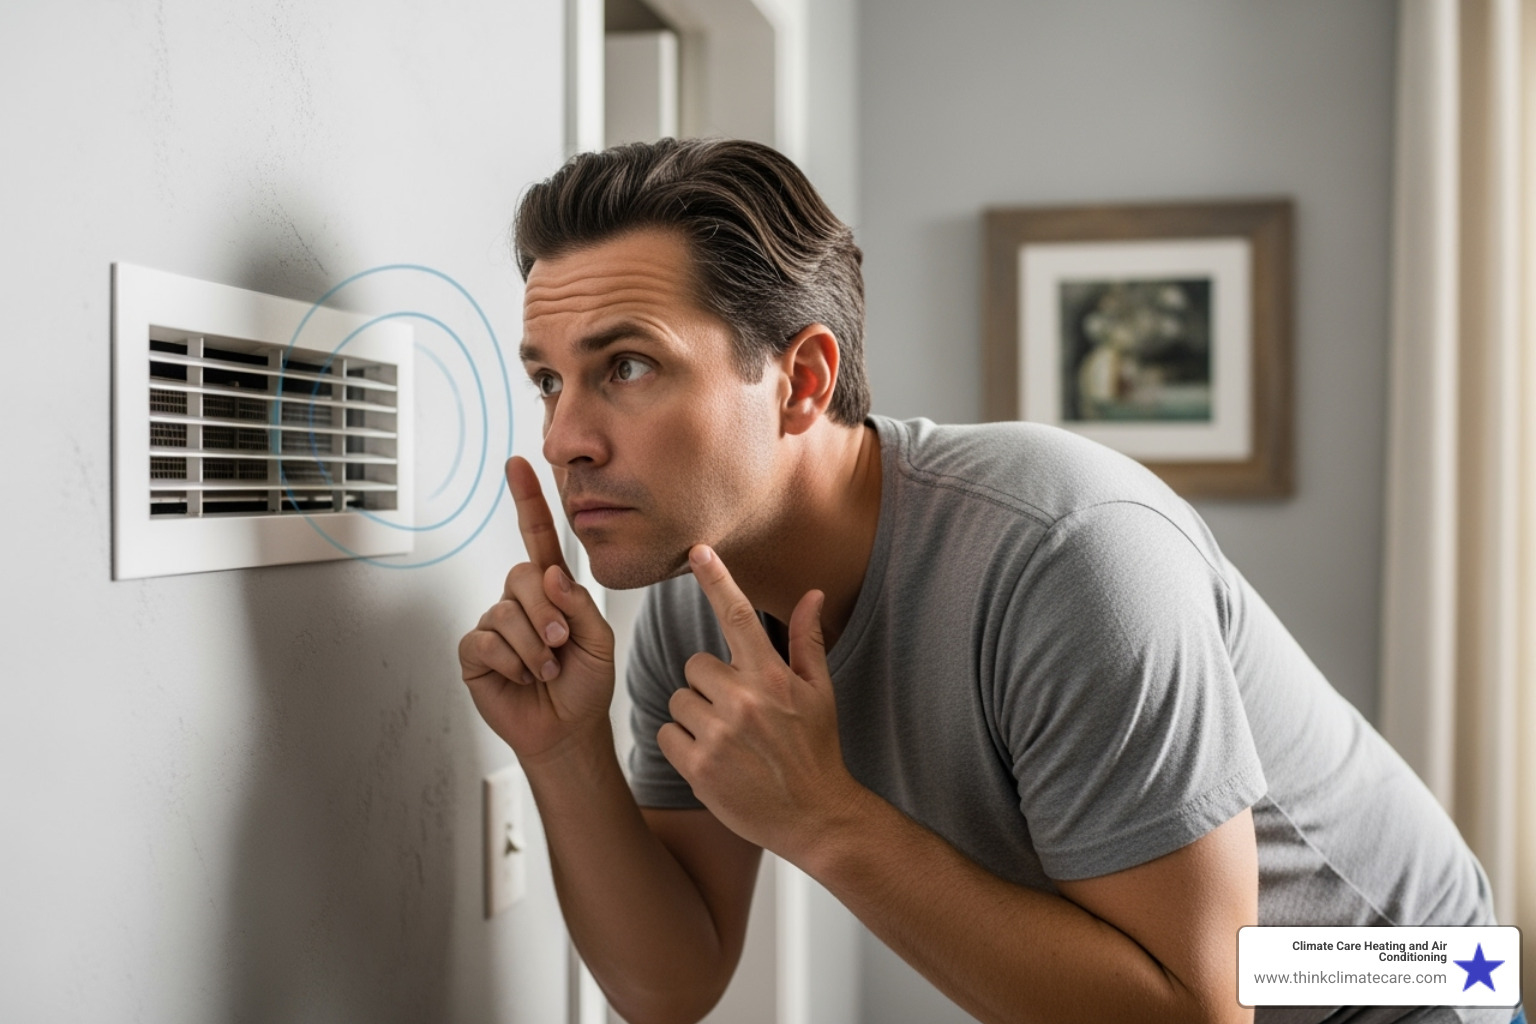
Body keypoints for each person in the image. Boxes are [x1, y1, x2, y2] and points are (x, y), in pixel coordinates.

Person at [458, 138, 1508, 1024]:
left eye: (626, 366)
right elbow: (672, 982)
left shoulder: (1071, 551)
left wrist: (827, 819)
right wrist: (563, 751)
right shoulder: (698, 601)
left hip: (1400, 978)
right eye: (549, 378)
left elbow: (1202, 1008)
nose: (563, 438)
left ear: (801, 381)